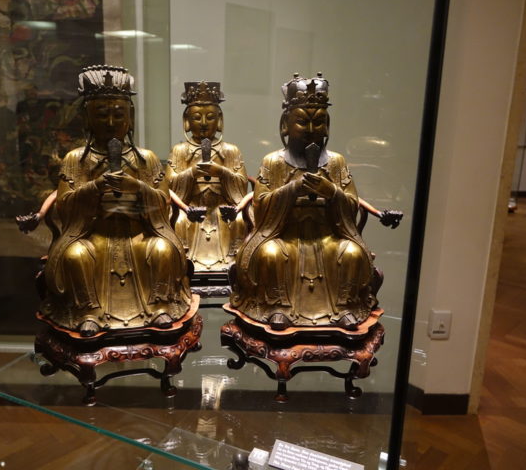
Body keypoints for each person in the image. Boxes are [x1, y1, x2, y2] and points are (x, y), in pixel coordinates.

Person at [41, 65, 192, 336]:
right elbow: (64, 206)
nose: (111, 122)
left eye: (118, 114)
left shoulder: (146, 159)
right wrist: (95, 188)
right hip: (93, 235)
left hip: (139, 235)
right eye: (102, 115)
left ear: (130, 118)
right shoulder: (76, 160)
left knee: (163, 250)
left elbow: (163, 203)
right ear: (87, 118)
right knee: (75, 255)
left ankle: (159, 305)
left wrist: (137, 187)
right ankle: (87, 311)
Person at [230, 73, 376, 331]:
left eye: (318, 122)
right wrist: (292, 189)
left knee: (352, 253)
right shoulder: (274, 162)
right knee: (270, 254)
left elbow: (352, 204)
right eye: (302, 122)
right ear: (285, 125)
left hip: (328, 237)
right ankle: (277, 306)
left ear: (327, 125)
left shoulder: (336, 162)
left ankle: (344, 306)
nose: (310, 129)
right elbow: (260, 205)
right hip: (285, 235)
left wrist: (332, 191)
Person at [166, 82, 248, 273]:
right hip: (190, 206)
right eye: (197, 117)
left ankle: (233, 263)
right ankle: (185, 263)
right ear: (187, 121)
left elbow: (242, 186)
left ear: (219, 120)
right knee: (180, 222)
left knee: (238, 221)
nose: (203, 123)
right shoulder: (179, 151)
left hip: (222, 205)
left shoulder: (231, 151)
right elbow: (168, 185)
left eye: (210, 117)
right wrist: (192, 173)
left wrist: (222, 172)